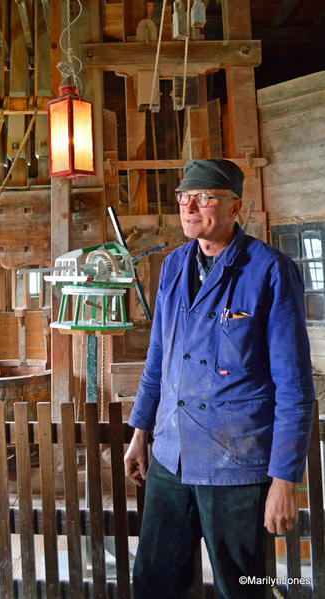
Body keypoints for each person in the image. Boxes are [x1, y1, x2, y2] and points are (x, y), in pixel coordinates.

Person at [124, 158, 315, 599]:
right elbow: (159, 356)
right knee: (153, 585)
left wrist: (285, 480)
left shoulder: (269, 271)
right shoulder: (172, 266)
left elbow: (294, 387)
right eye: (183, 197)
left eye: (205, 197)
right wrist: (140, 431)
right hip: (171, 460)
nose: (190, 207)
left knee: (244, 588)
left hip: (236, 466)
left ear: (235, 207)